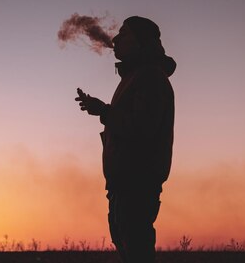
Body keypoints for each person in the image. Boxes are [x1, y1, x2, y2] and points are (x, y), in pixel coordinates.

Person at [75, 16, 176, 263]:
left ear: (142, 42)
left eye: (124, 34)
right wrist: (102, 110)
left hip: (136, 182)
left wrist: (104, 112)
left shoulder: (150, 77)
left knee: (137, 251)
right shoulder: (135, 77)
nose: (116, 39)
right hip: (124, 183)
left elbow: (141, 129)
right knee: (128, 245)